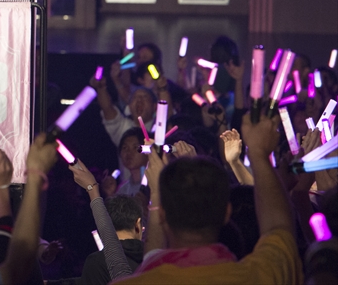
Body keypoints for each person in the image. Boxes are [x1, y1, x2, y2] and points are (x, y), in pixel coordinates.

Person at [115, 113, 302, 284]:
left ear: (162, 215)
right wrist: (258, 153)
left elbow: (151, 258)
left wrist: (156, 194)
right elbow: (279, 228)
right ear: (226, 212)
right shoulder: (261, 275)